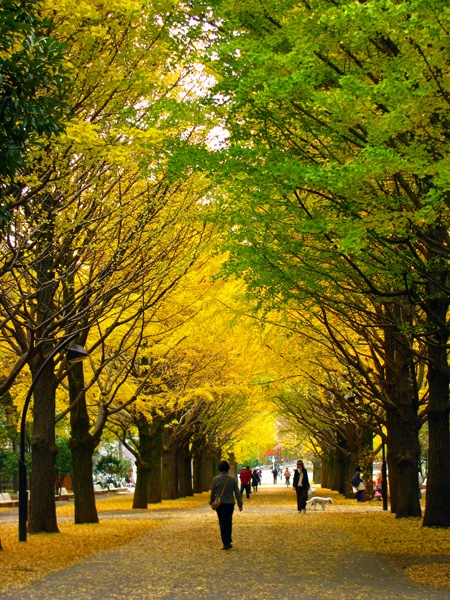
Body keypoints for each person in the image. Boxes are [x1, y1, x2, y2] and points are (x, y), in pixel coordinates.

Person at [210, 460, 243, 550]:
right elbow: (237, 493)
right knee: (229, 521)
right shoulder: (232, 480)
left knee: (222, 522)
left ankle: (225, 542)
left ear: (219, 469)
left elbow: (213, 493)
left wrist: (212, 502)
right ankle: (228, 540)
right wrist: (240, 504)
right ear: (228, 469)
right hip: (229, 503)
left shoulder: (215, 480)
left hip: (220, 504)